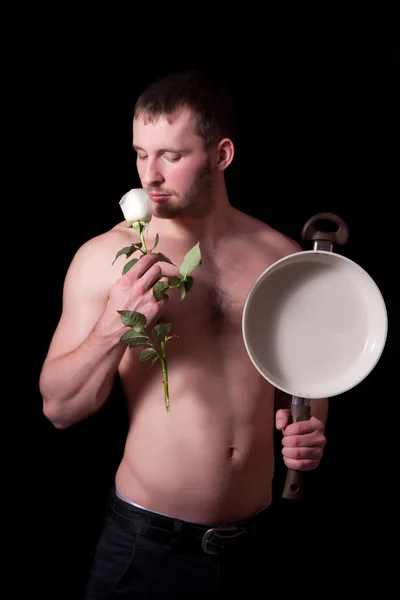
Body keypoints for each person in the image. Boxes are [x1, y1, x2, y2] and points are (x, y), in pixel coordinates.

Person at [39, 68, 328, 599]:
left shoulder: (280, 258)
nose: (150, 175)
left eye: (171, 155)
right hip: (147, 550)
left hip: (258, 547)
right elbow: (59, 407)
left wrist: (308, 430)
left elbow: (306, 374)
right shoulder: (106, 259)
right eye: (140, 154)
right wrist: (113, 325)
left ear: (221, 155)